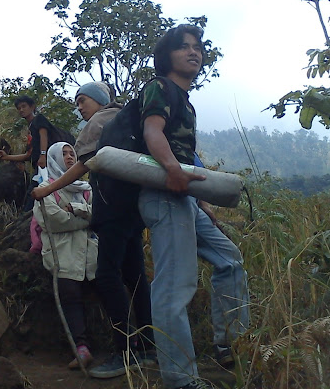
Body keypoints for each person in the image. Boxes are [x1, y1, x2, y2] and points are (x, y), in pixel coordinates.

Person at [138, 24, 249, 389]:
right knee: (174, 285)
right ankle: (180, 379)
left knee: (229, 259)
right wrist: (171, 169)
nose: (194, 51)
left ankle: (232, 344)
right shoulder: (160, 87)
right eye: (183, 46)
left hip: (185, 197)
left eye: (197, 46)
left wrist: (201, 200)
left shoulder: (185, 101)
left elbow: (188, 155)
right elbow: (152, 132)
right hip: (163, 194)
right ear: (166, 55)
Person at [32, 81, 156, 379]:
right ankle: (149, 347)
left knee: (107, 276)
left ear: (99, 100)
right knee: (136, 277)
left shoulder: (99, 123)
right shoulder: (127, 119)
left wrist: (47, 190)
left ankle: (124, 351)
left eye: (83, 100)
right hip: (134, 208)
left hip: (111, 208)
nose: (79, 106)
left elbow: (84, 166)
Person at [32, 142, 97, 370]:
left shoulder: (87, 188)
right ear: (53, 159)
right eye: (64, 154)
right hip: (63, 252)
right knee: (70, 294)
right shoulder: (46, 188)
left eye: (72, 154)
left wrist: (75, 210)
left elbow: (98, 214)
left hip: (91, 253)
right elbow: (52, 220)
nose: (70, 157)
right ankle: (81, 348)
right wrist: (85, 217)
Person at [0, 95, 52, 211]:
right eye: (19, 108)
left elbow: (44, 135)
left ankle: (23, 221)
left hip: (46, 166)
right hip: (40, 168)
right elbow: (28, 155)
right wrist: (7, 157)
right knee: (32, 195)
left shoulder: (39, 119)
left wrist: (43, 155)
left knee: (32, 195)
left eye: (24, 106)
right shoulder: (30, 128)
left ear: (32, 107)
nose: (21, 110)